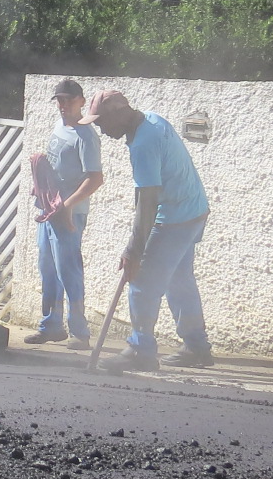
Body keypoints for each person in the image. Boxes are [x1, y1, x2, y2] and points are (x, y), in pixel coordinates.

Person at [80, 88, 213, 373]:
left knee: (141, 283)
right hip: (194, 209)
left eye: (102, 122)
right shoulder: (154, 119)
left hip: (176, 216)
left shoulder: (143, 144)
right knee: (180, 279)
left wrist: (133, 250)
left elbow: (148, 201)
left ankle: (141, 350)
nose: (101, 130)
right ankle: (197, 346)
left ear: (119, 112)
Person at [24, 78, 104, 350]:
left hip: (69, 215)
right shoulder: (60, 126)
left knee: (68, 270)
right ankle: (51, 326)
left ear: (82, 101)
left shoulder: (86, 136)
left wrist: (67, 206)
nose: (64, 104)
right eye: (60, 99)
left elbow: (95, 179)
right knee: (48, 268)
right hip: (49, 211)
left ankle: (80, 333)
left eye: (69, 99)